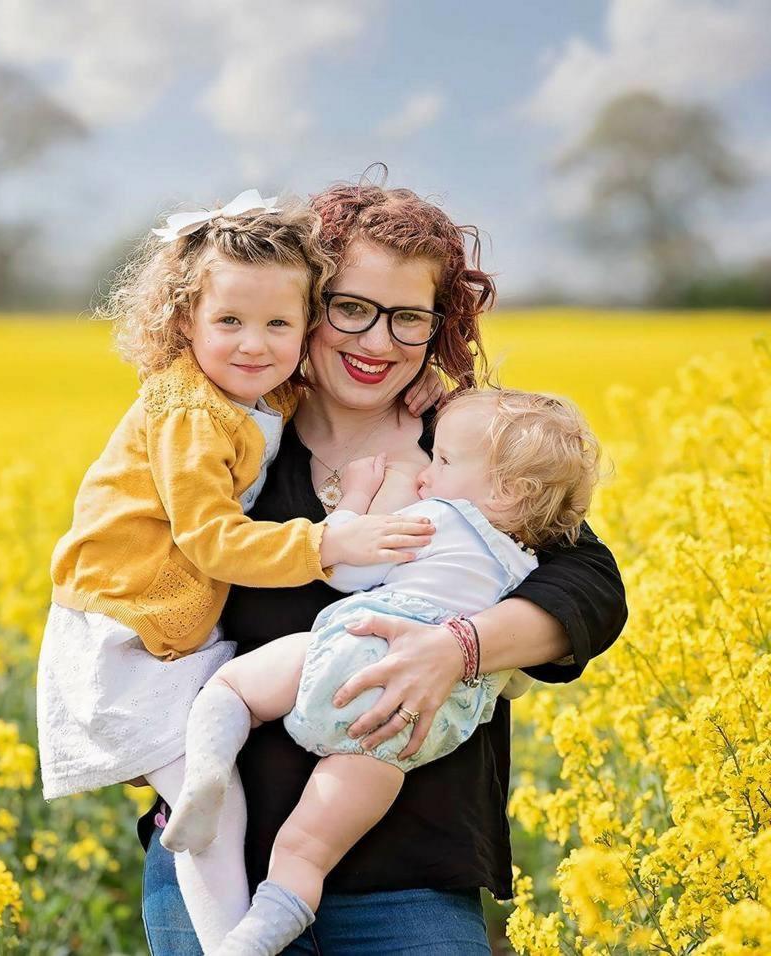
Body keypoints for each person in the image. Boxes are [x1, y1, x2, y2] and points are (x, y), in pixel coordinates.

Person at [139, 181, 628, 955]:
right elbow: (128, 576)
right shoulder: (231, 437)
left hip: (412, 876)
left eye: (409, 317)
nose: (378, 342)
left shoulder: (474, 447)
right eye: (352, 308)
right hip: (218, 867)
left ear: (441, 326)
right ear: (306, 303)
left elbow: (588, 586)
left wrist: (458, 649)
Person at [35, 189, 438, 952]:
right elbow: (215, 541)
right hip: (130, 632)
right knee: (209, 814)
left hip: (167, 628)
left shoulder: (246, 394)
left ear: (304, 327)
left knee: (213, 780)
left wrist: (410, 401)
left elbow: (307, 389)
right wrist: (330, 543)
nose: (255, 344)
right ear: (182, 320)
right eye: (229, 322)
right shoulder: (187, 413)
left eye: (279, 324)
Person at [162, 387, 601, 955]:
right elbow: (517, 672)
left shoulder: (435, 518)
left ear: (504, 490)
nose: (426, 472)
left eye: (441, 462)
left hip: (346, 653)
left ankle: (205, 778)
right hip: (401, 728)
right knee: (306, 851)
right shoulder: (523, 567)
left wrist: (363, 498)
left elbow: (345, 573)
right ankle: (255, 939)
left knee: (232, 688)